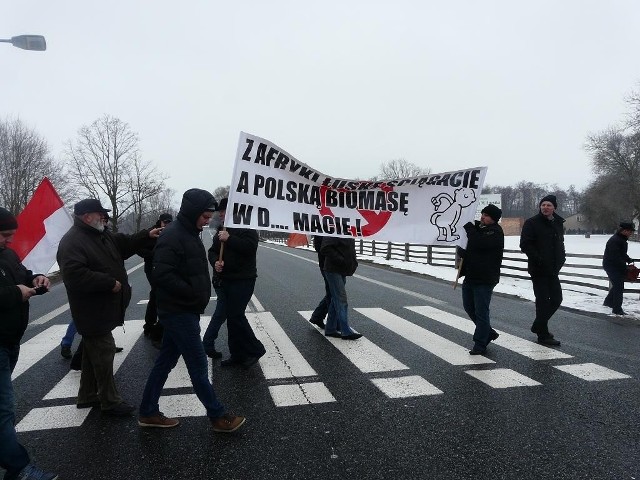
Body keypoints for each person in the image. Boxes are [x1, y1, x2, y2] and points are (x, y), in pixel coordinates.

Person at [138, 189, 245, 432]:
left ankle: (147, 411)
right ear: (192, 212)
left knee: (165, 362)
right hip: (178, 311)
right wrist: (192, 293)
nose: (208, 220)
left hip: (184, 310)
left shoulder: (189, 233)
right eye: (205, 216)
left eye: (210, 216)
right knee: (198, 364)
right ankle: (218, 416)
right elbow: (162, 275)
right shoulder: (173, 236)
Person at [57, 198, 160, 416]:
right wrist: (108, 282)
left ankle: (87, 395)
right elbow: (74, 274)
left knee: (91, 353)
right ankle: (110, 401)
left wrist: (146, 235)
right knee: (104, 352)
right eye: (100, 214)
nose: (104, 217)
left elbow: (123, 243)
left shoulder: (99, 234)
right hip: (91, 310)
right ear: (86, 217)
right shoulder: (73, 241)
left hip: (102, 308)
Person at [0, 207, 58, 480]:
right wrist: (14, 293)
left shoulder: (8, 255)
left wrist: (35, 279)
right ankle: (18, 469)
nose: (8, 241)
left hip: (11, 340)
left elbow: (22, 275)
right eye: (3, 235)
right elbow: (11, 291)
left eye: (10, 235)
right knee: (4, 408)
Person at [204, 198, 266, 369]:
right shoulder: (221, 229)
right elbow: (212, 251)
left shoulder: (246, 227)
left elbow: (250, 247)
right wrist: (215, 261)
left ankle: (255, 349)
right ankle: (237, 355)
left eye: (223, 211)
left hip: (243, 279)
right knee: (232, 318)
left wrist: (229, 238)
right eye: (220, 212)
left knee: (236, 315)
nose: (221, 214)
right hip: (227, 279)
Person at [458, 204, 504, 355]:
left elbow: (480, 243)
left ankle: (480, 343)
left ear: (494, 219)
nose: (482, 217)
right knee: (469, 307)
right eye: (482, 214)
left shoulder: (495, 232)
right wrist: (463, 251)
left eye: (486, 215)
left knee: (481, 311)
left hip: (485, 279)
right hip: (471, 276)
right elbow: (474, 251)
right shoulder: (480, 230)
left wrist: (469, 228)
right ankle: (488, 333)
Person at [519, 194, 565, 346]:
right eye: (543, 205)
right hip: (538, 269)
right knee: (543, 301)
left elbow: (560, 243)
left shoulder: (558, 222)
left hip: (553, 269)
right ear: (540, 207)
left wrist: (561, 259)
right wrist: (538, 259)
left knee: (557, 299)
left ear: (554, 208)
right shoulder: (532, 223)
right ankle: (543, 334)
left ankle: (538, 324)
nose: (545, 207)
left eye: (549, 205)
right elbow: (525, 244)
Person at [138, 212, 173, 344]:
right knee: (158, 294)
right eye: (165, 222)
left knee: (155, 295)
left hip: (164, 269)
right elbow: (139, 248)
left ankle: (150, 325)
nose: (167, 225)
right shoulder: (151, 232)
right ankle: (154, 326)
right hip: (152, 268)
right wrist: (153, 254)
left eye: (169, 222)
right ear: (160, 222)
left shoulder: (171, 232)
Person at [321, 236, 363, 340]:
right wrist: (342, 260)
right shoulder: (334, 230)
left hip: (341, 269)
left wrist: (353, 262)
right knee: (341, 300)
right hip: (333, 269)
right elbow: (325, 248)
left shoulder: (348, 229)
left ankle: (330, 328)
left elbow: (348, 249)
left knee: (335, 300)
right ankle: (346, 331)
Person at [602, 222, 636, 315]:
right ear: (624, 231)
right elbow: (615, 256)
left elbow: (621, 254)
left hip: (614, 266)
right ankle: (617, 309)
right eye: (630, 231)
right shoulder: (616, 240)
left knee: (617, 285)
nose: (631, 233)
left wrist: (627, 259)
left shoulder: (620, 239)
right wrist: (625, 267)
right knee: (619, 287)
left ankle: (608, 302)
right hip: (611, 266)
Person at [308, 236, 330, 329]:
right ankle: (334, 323)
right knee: (333, 294)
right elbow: (320, 247)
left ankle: (317, 316)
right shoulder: (321, 230)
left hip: (333, 265)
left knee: (333, 293)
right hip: (328, 265)